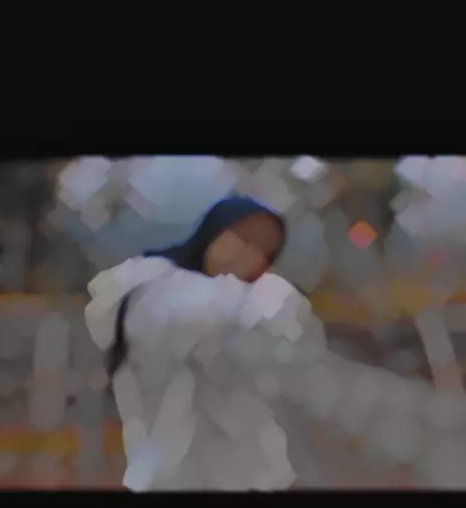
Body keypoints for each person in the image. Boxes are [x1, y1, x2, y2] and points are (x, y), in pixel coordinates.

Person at [84, 196, 466, 491]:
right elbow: (198, 316)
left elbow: (297, 358)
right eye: (243, 238)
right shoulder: (149, 287)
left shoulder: (260, 303)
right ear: (215, 230)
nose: (248, 255)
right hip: (171, 479)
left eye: (264, 252)